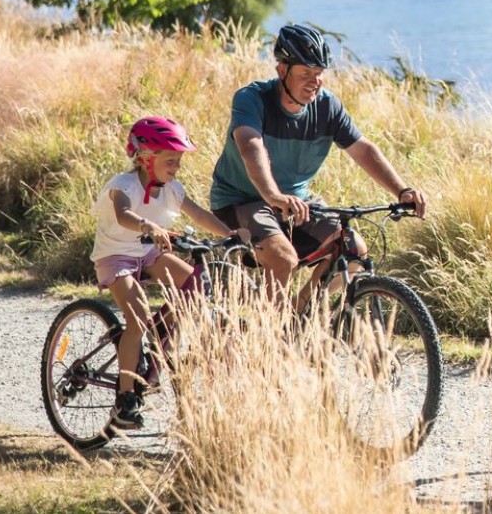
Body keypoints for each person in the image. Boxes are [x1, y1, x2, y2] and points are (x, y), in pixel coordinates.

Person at [207, 24, 427, 306]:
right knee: (283, 258)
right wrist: (273, 195)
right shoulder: (253, 99)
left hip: (296, 203)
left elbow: (362, 150)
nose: (315, 81)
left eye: (319, 73)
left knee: (354, 251)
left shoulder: (326, 106)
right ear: (282, 71)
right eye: (306, 74)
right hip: (240, 201)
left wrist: (402, 190)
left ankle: (297, 317)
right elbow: (251, 146)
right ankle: (267, 335)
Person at [90, 116, 237, 429]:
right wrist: (148, 226)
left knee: (195, 285)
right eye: (170, 160)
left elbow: (199, 215)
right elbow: (124, 214)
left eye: (179, 161)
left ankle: (161, 335)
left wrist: (231, 235)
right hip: (116, 256)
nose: (177, 167)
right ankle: (126, 399)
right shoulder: (123, 185)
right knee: (138, 317)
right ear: (145, 159)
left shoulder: (172, 189)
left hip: (149, 252)